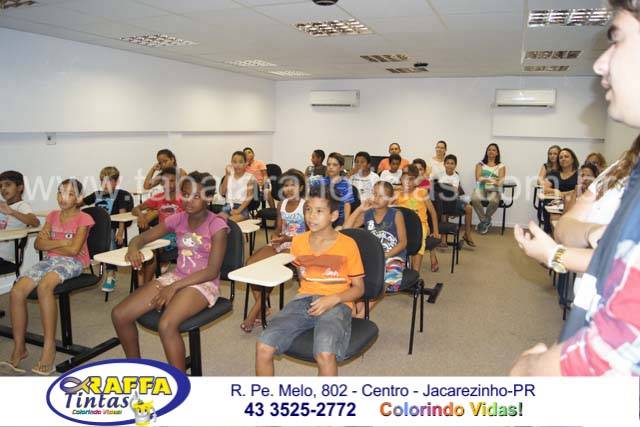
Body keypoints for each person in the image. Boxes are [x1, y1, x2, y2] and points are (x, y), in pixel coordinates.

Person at [510, 0, 640, 376]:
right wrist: (580, 242)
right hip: (589, 308)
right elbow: (567, 225)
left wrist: (532, 370)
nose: (600, 63)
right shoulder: (625, 168)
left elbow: (615, 348)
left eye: (617, 39)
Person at [112, 172, 228, 372]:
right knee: (120, 315)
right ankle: (135, 369)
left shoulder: (217, 225)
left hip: (204, 283)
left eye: (196, 196)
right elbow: (141, 238)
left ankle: (179, 380)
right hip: (177, 276)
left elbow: (212, 271)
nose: (189, 201)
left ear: (209, 198)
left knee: (166, 325)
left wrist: (173, 287)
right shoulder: (178, 218)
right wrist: (133, 249)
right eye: (186, 194)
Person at [255, 185, 365, 376]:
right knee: (263, 346)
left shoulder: (348, 244)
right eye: (308, 209)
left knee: (324, 353)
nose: (311, 216)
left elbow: (359, 288)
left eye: (319, 211)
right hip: (304, 300)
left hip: (337, 302)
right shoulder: (298, 242)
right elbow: (301, 274)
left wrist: (333, 298)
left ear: (333, 216)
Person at [3, 179, 93, 375]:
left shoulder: (84, 218)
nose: (63, 197)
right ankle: (19, 347)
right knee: (17, 290)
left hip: (74, 262)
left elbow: (74, 251)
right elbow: (38, 245)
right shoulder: (52, 216)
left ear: (79, 199)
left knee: (45, 287)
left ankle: (49, 347)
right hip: (50, 260)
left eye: (70, 194)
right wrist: (63, 242)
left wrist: (52, 242)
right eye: (60, 192)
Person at [240, 169, 306, 333]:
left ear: (301, 187)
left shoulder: (306, 206)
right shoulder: (281, 204)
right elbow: (278, 228)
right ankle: (263, 307)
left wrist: (287, 239)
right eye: (286, 185)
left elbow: (310, 234)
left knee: (271, 268)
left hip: (298, 244)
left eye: (293, 185)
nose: (289, 189)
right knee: (250, 263)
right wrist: (276, 237)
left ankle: (254, 313)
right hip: (282, 242)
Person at [344, 181, 407, 313]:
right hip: (372, 257)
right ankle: (357, 312)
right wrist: (359, 209)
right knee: (356, 278)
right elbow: (346, 230)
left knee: (387, 279)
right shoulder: (367, 214)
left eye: (381, 196)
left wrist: (385, 255)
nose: (376, 198)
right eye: (374, 194)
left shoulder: (396, 214)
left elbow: (403, 243)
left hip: (392, 256)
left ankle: (362, 315)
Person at [78, 166, 133, 292]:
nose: (105, 184)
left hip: (110, 229)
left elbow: (122, 214)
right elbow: (79, 204)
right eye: (102, 180)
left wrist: (120, 232)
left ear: (116, 181)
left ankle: (111, 274)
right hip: (94, 229)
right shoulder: (97, 194)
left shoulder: (120, 195)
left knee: (110, 240)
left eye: (109, 181)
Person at [133, 167, 183, 285]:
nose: (168, 184)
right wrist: (141, 216)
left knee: (153, 251)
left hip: (177, 235)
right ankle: (141, 286)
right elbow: (136, 208)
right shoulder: (159, 197)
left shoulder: (184, 199)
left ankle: (145, 286)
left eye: (172, 181)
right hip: (160, 233)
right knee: (140, 249)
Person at [395, 165, 440, 272]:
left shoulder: (422, 192)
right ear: (401, 180)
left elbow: (433, 212)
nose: (408, 182)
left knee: (418, 239)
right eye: (405, 179)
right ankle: (397, 270)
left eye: (411, 179)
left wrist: (436, 231)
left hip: (421, 225)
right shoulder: (397, 195)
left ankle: (415, 271)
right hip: (403, 226)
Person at [0, 171, 39, 265]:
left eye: (8, 184)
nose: (3, 188)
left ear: (20, 187)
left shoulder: (22, 205)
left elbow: (35, 222)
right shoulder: (3, 206)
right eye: (0, 186)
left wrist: (12, 212)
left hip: (4, 257)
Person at [437, 154, 475, 247]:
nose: (449, 165)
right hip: (442, 201)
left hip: (454, 200)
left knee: (469, 208)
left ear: (455, 165)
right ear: (444, 164)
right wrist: (448, 186)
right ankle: (443, 239)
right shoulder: (439, 175)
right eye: (447, 163)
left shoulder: (456, 176)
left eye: (452, 163)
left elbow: (454, 191)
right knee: (443, 208)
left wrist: (444, 186)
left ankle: (467, 234)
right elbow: (438, 190)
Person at [470, 143, 506, 235]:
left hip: (495, 189)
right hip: (481, 188)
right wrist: (493, 179)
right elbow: (478, 179)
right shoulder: (480, 164)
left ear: (497, 153)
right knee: (474, 198)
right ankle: (485, 221)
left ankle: (484, 222)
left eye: (494, 150)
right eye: (489, 149)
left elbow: (499, 182)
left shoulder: (501, 166)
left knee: (494, 200)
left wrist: (485, 178)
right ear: (486, 152)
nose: (491, 151)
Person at [313, 152, 354, 227]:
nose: (331, 167)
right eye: (329, 164)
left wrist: (346, 224)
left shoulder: (346, 184)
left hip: (339, 219)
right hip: (322, 217)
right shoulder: (320, 181)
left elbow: (347, 205)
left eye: (334, 165)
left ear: (341, 167)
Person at [219, 151, 255, 222]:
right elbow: (222, 192)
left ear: (246, 163)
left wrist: (238, 210)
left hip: (241, 207)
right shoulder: (229, 175)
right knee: (218, 221)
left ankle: (246, 217)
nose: (237, 165)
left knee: (230, 221)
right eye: (234, 162)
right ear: (231, 163)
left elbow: (249, 197)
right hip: (228, 206)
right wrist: (227, 175)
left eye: (240, 162)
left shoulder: (250, 177)